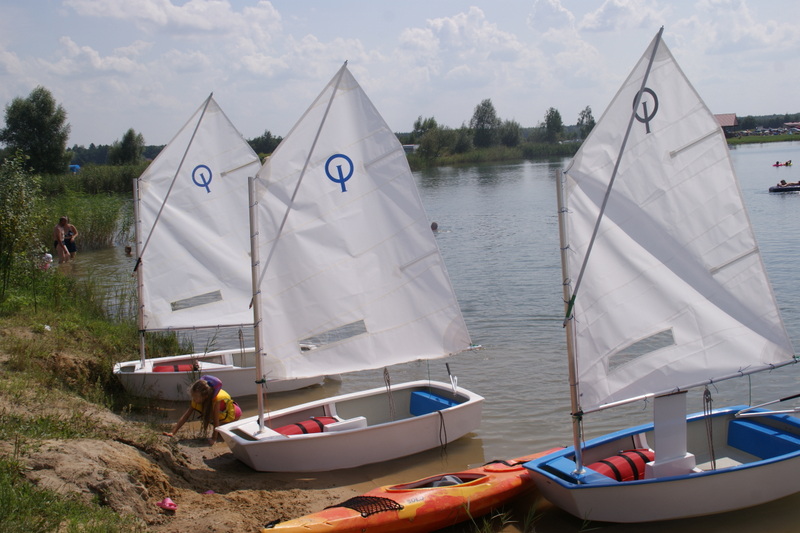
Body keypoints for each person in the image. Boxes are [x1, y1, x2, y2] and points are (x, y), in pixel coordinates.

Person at [164, 375, 241, 445]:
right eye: (193, 396)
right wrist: (173, 432)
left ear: (205, 396)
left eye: (195, 397)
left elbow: (216, 421)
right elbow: (186, 416)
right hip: (220, 417)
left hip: (234, 415)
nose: (194, 399)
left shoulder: (217, 402)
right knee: (219, 431)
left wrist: (213, 439)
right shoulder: (196, 401)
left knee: (222, 436)